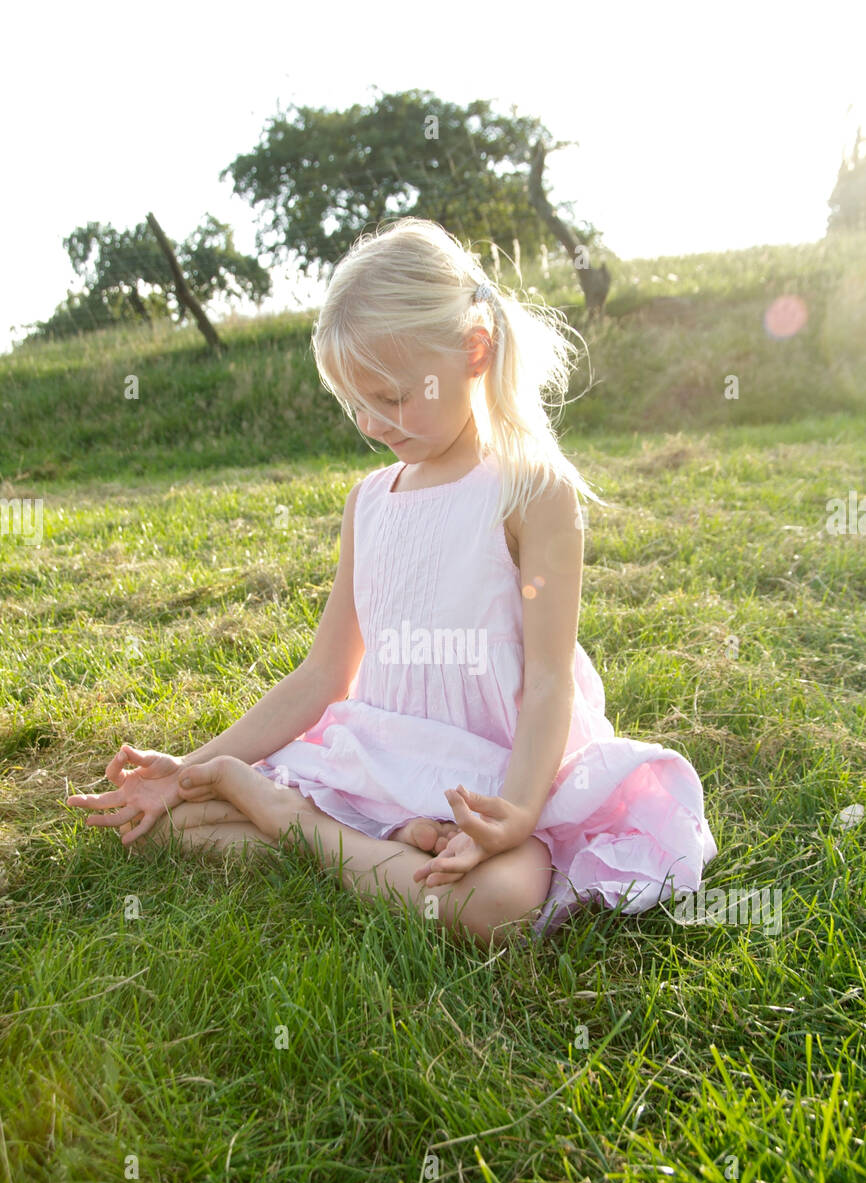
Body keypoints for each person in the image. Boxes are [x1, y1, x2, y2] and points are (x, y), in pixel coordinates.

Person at [67, 217, 717, 949]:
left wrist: (517, 810)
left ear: (475, 350)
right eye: (356, 405)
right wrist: (188, 768)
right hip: (381, 757)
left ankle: (293, 823)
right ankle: (343, 827)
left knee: (500, 901)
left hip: (495, 771)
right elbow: (322, 676)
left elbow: (546, 685)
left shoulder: (532, 490)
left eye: (393, 397)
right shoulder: (371, 500)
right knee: (158, 826)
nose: (375, 422)